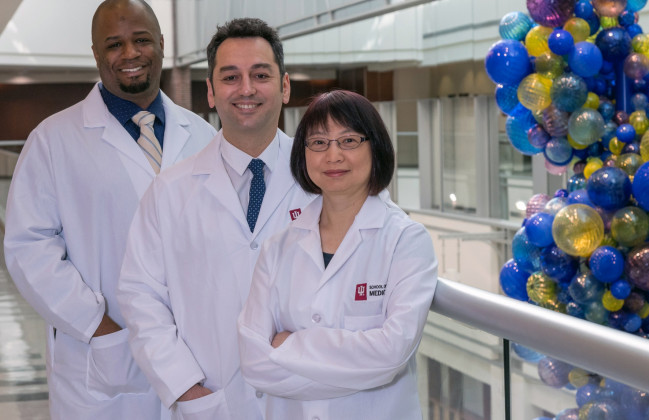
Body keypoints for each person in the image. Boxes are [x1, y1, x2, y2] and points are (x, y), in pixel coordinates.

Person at [2, 1, 216, 419]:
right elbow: (29, 248)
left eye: (140, 40)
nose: (130, 54)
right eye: (114, 44)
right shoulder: (52, 140)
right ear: (97, 55)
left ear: (161, 43)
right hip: (104, 362)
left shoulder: (203, 135)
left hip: (196, 358)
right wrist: (100, 328)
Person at [117, 18, 315, 419]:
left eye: (261, 74)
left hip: (307, 398)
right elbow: (141, 298)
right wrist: (186, 389)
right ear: (210, 92)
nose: (246, 89)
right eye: (230, 77)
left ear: (285, 86)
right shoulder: (169, 191)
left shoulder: (322, 181)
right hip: (210, 401)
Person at [237, 89, 438, 419]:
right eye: (318, 143)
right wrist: (356, 366)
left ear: (376, 148)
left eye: (348, 141)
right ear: (303, 155)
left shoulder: (405, 240)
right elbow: (255, 365)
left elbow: (391, 356)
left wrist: (287, 346)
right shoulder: (278, 247)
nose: (333, 156)